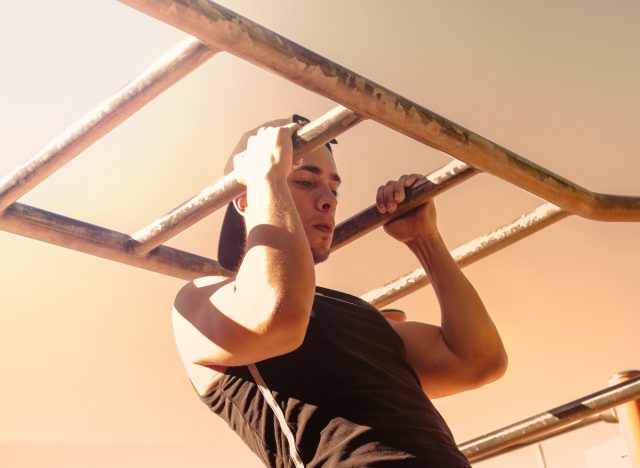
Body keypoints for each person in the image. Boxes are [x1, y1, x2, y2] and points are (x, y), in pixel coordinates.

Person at [172, 115, 508, 467]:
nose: (329, 201)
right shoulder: (203, 297)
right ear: (245, 199)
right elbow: (276, 315)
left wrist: (425, 240)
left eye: (334, 189)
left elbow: (478, 362)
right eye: (304, 182)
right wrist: (267, 179)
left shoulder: (359, 313)